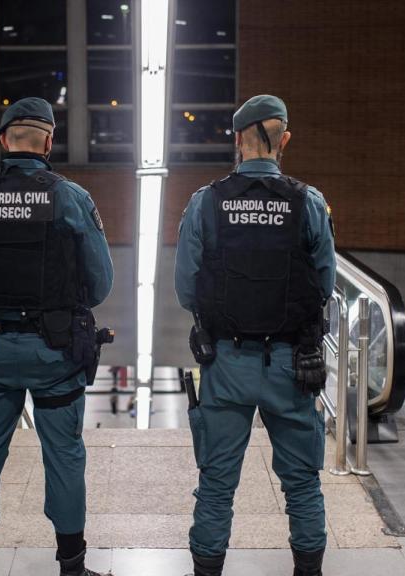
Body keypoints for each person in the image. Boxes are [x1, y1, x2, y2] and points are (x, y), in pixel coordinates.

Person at [0, 97, 115, 576]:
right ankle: (72, 566)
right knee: (63, 455)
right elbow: (101, 282)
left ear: (3, 140)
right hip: (54, 351)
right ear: (49, 142)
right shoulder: (69, 197)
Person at [174, 95, 336, 576]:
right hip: (293, 365)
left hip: (226, 362)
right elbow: (323, 284)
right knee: (303, 483)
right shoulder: (308, 202)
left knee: (217, 483)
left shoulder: (206, 203)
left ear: (237, 139)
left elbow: (186, 288)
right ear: (284, 139)